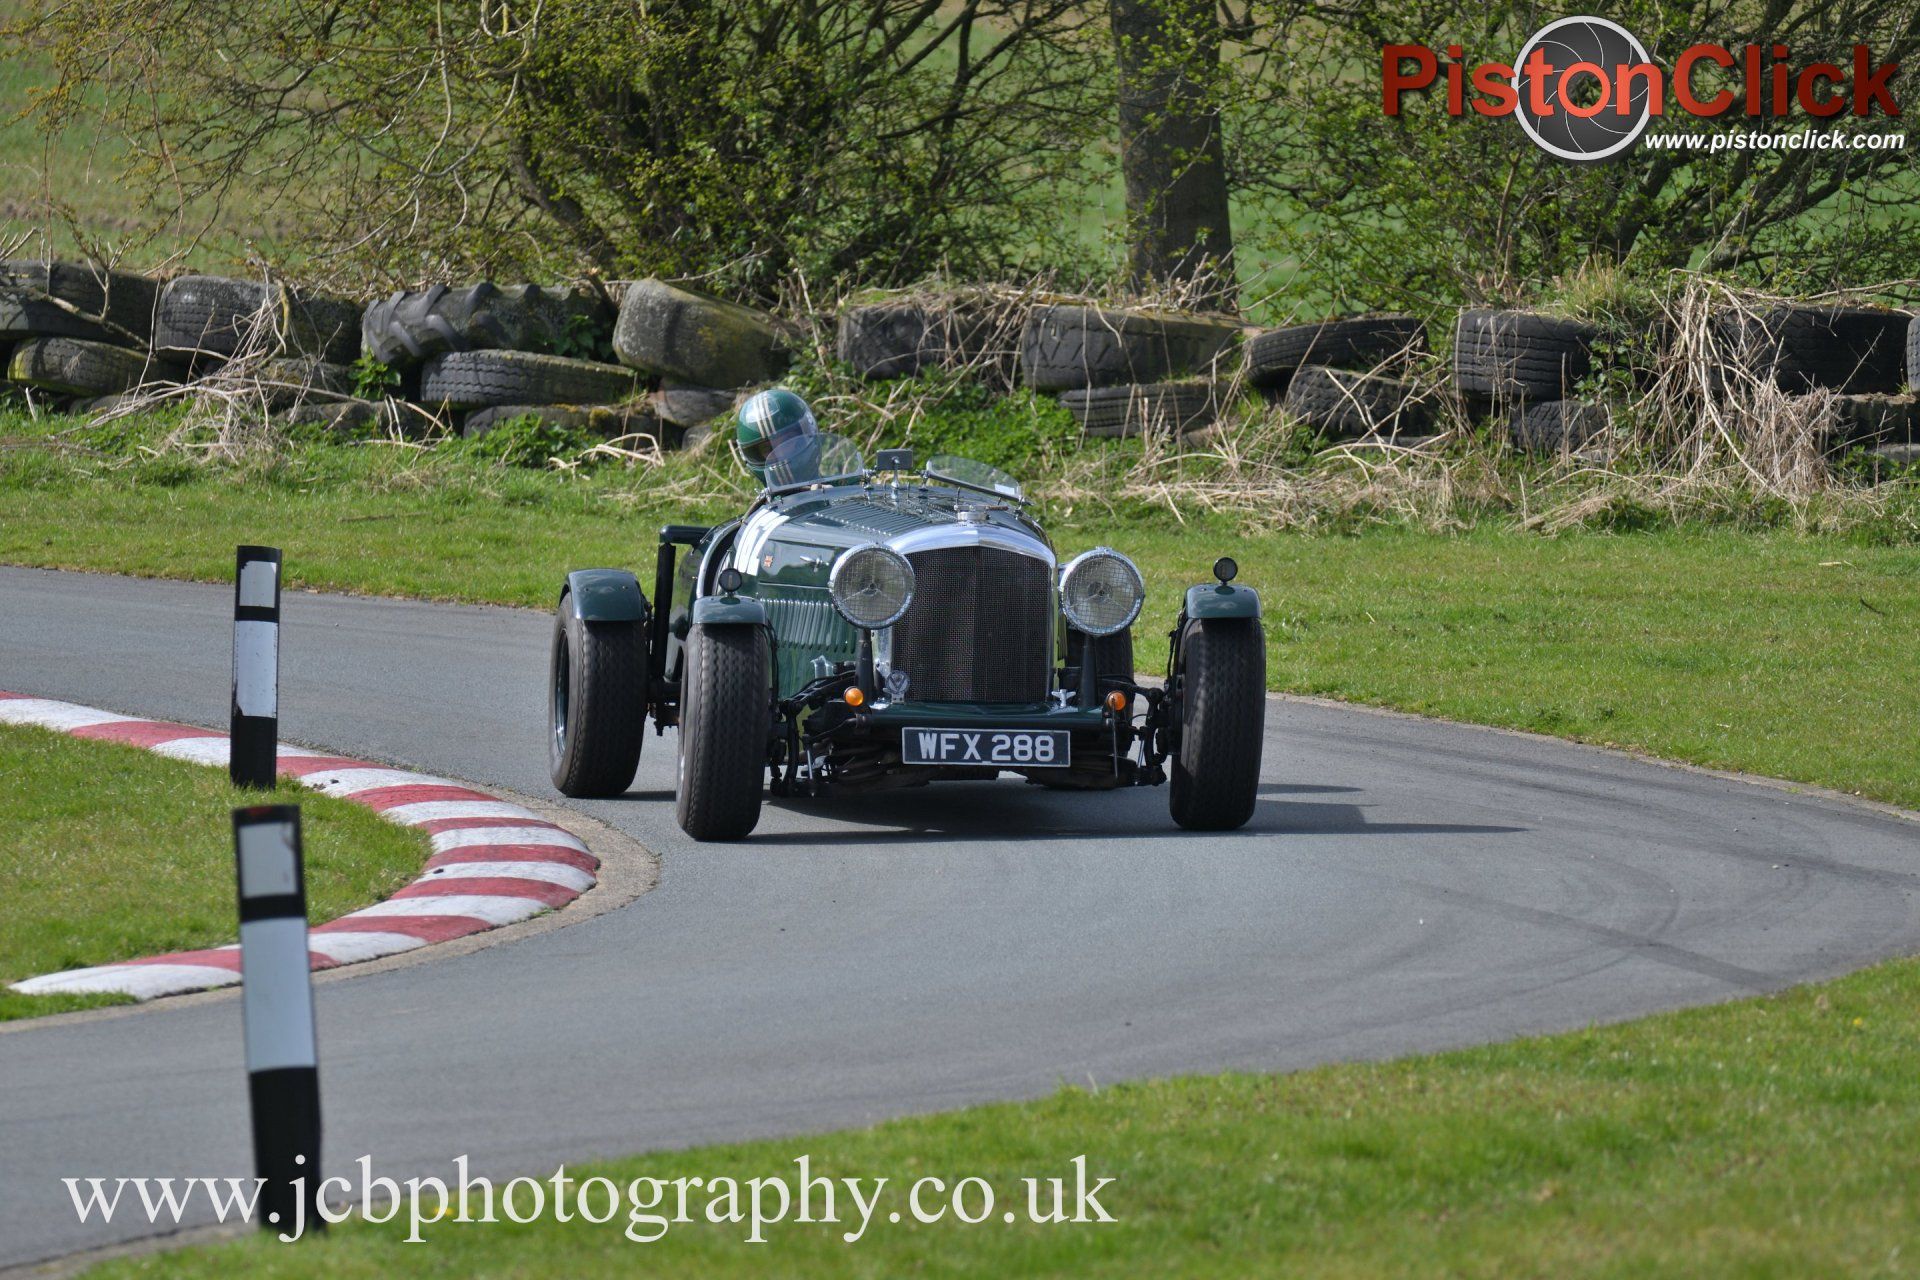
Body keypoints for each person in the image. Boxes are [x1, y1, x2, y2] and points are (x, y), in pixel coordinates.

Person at [734, 388, 820, 484]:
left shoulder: (834, 488)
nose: (781, 454)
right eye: (768, 449)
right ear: (756, 455)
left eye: (787, 441)